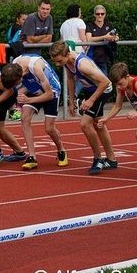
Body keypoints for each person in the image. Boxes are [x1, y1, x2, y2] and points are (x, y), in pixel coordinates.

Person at [49, 41, 117, 175]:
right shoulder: (67, 62)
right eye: (55, 62)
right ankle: (112, 159)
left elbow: (105, 82)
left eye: (59, 61)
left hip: (102, 90)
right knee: (99, 124)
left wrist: (91, 100)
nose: (57, 64)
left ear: (67, 54)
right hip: (90, 89)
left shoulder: (82, 64)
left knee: (85, 124)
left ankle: (98, 159)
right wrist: (71, 101)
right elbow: (70, 78)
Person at [0, 54, 68, 170]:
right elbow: (20, 87)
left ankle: (61, 150)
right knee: (24, 118)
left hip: (51, 90)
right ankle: (32, 157)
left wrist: (28, 100)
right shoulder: (16, 63)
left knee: (49, 128)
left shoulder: (36, 68)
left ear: (20, 77)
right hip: (34, 89)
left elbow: (49, 95)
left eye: (17, 83)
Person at [85, 5, 118, 75]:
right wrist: (104, 37)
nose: (100, 16)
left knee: (104, 80)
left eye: (102, 14)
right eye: (98, 14)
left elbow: (116, 36)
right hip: (92, 57)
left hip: (105, 58)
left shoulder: (108, 24)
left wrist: (115, 38)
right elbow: (89, 39)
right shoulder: (90, 25)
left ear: (105, 15)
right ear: (94, 14)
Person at [5, 11, 27, 121]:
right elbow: (15, 43)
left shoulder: (11, 28)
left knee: (11, 85)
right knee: (18, 85)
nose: (25, 21)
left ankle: (13, 112)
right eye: (23, 19)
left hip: (10, 59)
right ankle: (15, 113)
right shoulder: (18, 29)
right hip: (15, 59)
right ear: (17, 19)